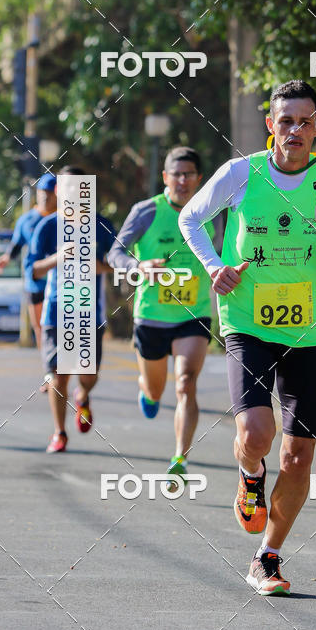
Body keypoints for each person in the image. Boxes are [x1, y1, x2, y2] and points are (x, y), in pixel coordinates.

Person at [180, 79, 316, 595]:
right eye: (286, 120)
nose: (295, 130)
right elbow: (192, 219)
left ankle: (268, 557)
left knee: (299, 455)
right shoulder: (241, 173)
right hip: (247, 321)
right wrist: (214, 267)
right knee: (257, 434)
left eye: (305, 121)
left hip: (304, 327)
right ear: (270, 126)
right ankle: (249, 474)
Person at [107, 146, 215, 482]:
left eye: (190, 175)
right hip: (152, 316)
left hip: (193, 314)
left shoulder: (215, 212)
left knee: (185, 383)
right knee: (156, 391)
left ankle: (180, 456)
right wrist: (139, 266)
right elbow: (114, 253)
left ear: (199, 179)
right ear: (165, 177)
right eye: (176, 175)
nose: (183, 181)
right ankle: (147, 390)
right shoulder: (145, 211)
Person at [25, 166, 115, 453]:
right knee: (57, 374)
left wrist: (95, 265)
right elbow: (32, 271)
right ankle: (59, 432)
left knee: (88, 376)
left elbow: (117, 263)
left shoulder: (102, 226)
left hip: (90, 313)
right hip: (55, 311)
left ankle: (83, 395)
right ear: (57, 192)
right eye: (67, 189)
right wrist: (57, 258)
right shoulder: (47, 226)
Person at [0, 173, 58, 378]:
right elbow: (16, 243)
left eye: (50, 193)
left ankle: (61, 373)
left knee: (60, 328)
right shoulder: (27, 219)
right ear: (37, 193)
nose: (45, 197)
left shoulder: (65, 218)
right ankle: (49, 372)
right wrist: (6, 258)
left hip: (59, 282)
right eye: (42, 193)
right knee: (41, 328)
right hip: (36, 283)